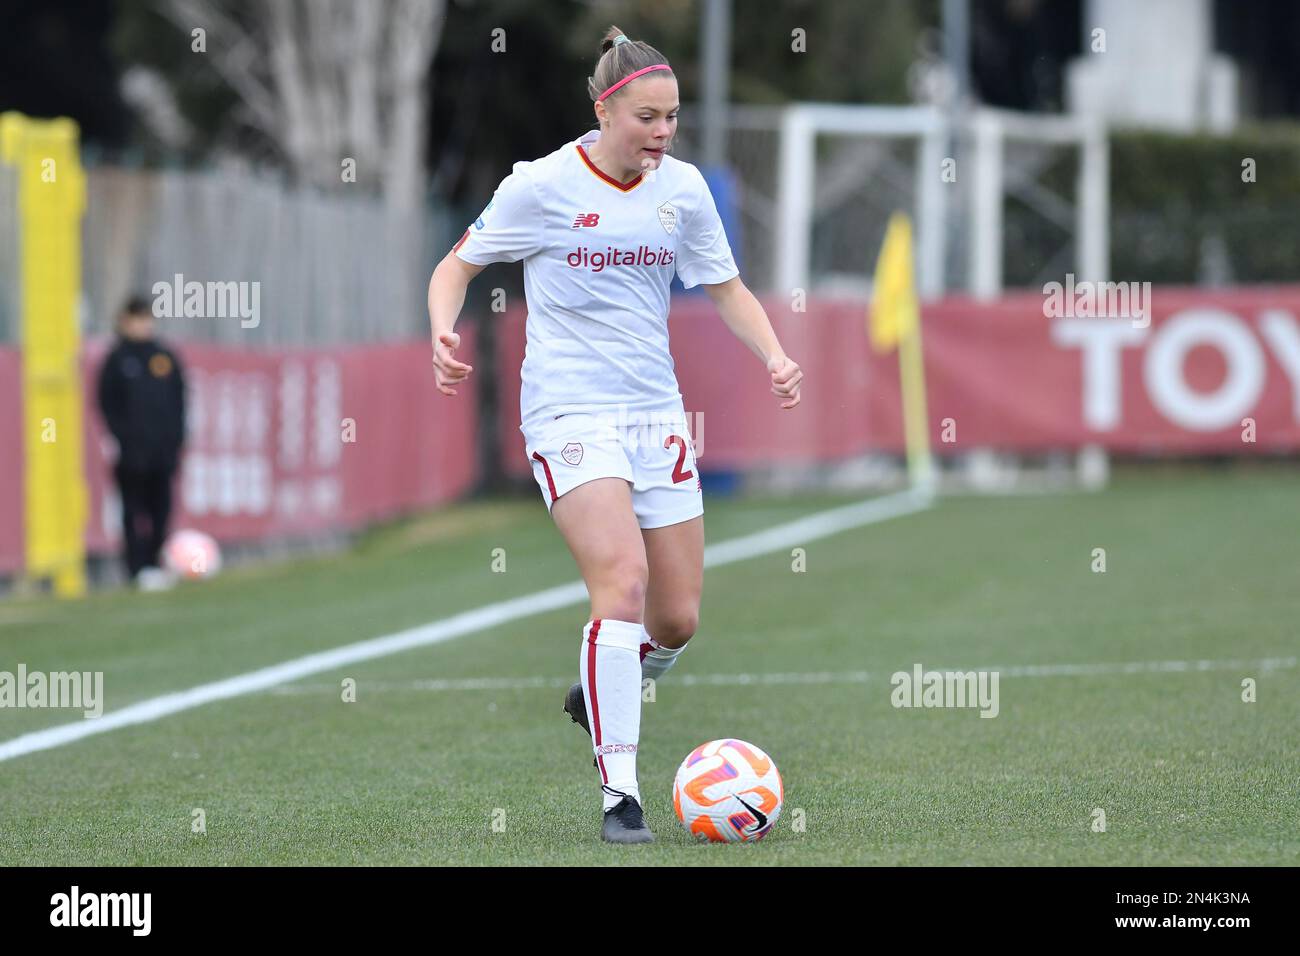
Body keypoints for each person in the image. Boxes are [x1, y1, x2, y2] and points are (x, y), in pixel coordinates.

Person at [426, 27, 802, 843]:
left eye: (671, 117)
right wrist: (441, 334)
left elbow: (727, 287)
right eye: (647, 117)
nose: (662, 132)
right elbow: (455, 267)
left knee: (675, 621)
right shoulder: (541, 185)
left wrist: (775, 355)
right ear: (605, 109)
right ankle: (621, 797)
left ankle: (604, 679)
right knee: (621, 582)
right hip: (567, 413)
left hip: (654, 417)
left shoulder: (685, 191)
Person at [96, 295, 187, 590]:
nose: (142, 325)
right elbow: (106, 404)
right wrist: (123, 438)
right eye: (136, 319)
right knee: (133, 510)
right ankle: (136, 569)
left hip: (163, 450)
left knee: (161, 508)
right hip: (132, 452)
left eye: (146, 319)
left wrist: (176, 440)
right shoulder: (117, 360)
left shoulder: (164, 357)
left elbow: (179, 401)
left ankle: (157, 562)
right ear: (125, 322)